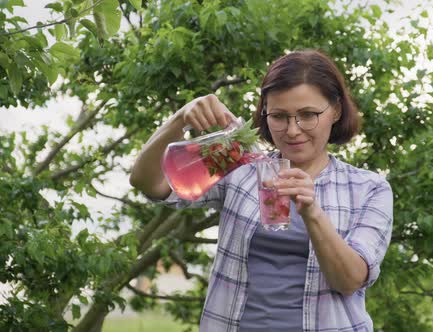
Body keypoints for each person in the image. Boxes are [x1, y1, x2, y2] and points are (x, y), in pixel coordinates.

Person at [129, 49, 393, 331]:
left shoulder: (368, 189)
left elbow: (350, 280)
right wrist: (180, 119)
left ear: (336, 111)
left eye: (308, 114)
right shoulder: (242, 167)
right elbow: (148, 181)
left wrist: (312, 212)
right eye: (279, 116)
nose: (293, 130)